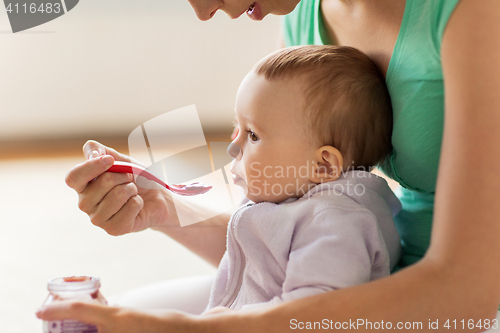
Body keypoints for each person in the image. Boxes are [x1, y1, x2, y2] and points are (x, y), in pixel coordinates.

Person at [36, 0, 500, 331]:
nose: (200, 10)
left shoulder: (473, 13)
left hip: (457, 304)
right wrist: (165, 210)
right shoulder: (302, 17)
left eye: (251, 135)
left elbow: (469, 297)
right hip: (376, 288)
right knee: (125, 313)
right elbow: (280, 243)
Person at [205, 45, 401, 312]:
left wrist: (226, 325)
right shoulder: (287, 196)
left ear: (322, 166)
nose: (233, 146)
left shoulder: (337, 224)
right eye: (235, 128)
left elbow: (314, 313)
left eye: (253, 135)